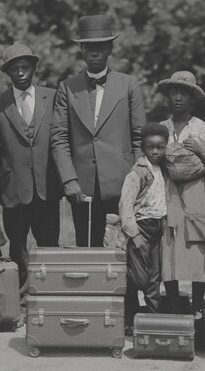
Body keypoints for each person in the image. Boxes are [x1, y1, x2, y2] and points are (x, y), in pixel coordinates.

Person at [51, 14, 146, 247]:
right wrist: (69, 179)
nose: (94, 52)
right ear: (81, 49)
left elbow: (139, 137)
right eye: (89, 47)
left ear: (110, 49)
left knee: (123, 247)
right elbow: (59, 138)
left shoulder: (129, 84)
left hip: (123, 183)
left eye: (100, 47)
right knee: (87, 249)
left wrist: (139, 181)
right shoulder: (67, 88)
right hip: (81, 187)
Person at [0, 44, 61, 309]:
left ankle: (48, 296)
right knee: (17, 247)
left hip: (47, 186)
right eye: (14, 68)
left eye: (25, 67)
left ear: (34, 68)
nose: (20, 72)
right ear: (7, 72)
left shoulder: (52, 97)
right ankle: (19, 300)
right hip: (14, 189)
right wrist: (4, 174)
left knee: (48, 244)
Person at [158, 71, 205, 317]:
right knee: (169, 243)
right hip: (169, 191)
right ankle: (172, 304)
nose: (179, 97)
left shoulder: (201, 127)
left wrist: (202, 151)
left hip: (196, 191)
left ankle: (198, 305)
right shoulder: (163, 128)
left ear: (193, 98)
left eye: (184, 93)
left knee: (197, 242)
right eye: (174, 92)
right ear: (169, 96)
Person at [119, 122, 168, 328]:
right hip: (141, 228)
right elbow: (125, 204)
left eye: (160, 147)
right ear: (143, 147)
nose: (155, 151)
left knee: (154, 278)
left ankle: (153, 320)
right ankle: (130, 320)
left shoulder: (163, 169)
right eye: (150, 147)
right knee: (137, 277)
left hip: (158, 229)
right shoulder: (138, 172)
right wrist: (134, 234)